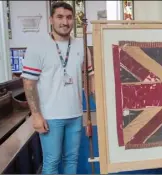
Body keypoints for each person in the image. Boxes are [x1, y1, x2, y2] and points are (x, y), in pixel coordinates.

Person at [21, 2, 94, 174]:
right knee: (52, 162)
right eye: (60, 17)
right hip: (50, 116)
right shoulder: (37, 46)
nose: (65, 22)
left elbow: (89, 78)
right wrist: (36, 115)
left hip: (75, 114)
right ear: (51, 19)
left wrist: (95, 103)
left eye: (69, 17)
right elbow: (28, 83)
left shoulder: (81, 46)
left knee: (72, 160)